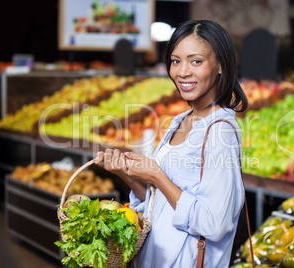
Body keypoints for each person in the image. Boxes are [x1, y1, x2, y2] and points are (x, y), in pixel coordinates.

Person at [96, 19, 248, 267]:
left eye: (195, 61)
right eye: (176, 61)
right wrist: (129, 176)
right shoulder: (179, 121)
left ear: (220, 65)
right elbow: (160, 205)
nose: (182, 72)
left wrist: (156, 175)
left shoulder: (221, 132)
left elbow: (214, 224)